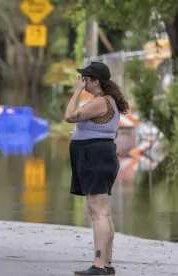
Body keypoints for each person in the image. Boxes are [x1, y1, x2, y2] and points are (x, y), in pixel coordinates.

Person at [64, 62, 129, 276]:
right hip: (100, 157)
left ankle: (99, 265)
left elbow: (69, 115)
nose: (82, 81)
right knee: (103, 212)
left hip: (95, 158)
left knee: (98, 213)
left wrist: (75, 92)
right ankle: (107, 263)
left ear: (96, 81)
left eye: (85, 78)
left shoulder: (101, 102)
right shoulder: (109, 101)